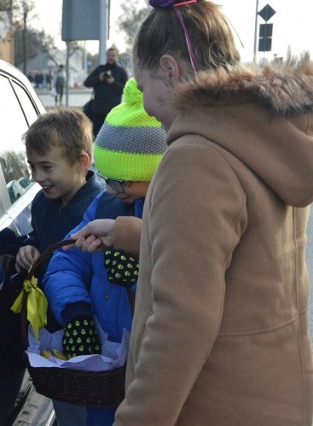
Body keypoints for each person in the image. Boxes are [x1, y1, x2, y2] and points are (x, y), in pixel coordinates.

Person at [73, 1, 313, 424]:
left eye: (144, 87)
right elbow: (239, 266)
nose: (146, 107)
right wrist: (129, 233)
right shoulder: (267, 137)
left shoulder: (195, 159)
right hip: (275, 398)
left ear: (170, 69)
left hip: (212, 406)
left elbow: (181, 321)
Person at [42, 78, 167, 426]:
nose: (113, 188)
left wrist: (142, 266)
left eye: (123, 180)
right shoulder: (104, 205)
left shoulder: (174, 213)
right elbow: (64, 261)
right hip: (106, 372)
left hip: (154, 372)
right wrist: (76, 311)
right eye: (107, 177)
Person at [15, 107, 104, 425]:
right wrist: (29, 245)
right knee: (66, 406)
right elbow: (39, 234)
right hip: (52, 326)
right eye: (32, 166)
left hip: (91, 328)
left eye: (46, 167)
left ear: (81, 162)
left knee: (93, 407)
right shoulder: (42, 201)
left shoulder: (100, 206)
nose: (37, 177)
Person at [83, 47, 129, 137]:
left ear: (117, 56)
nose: (110, 57)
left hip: (113, 111)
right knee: (96, 135)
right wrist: (99, 78)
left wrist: (113, 82)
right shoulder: (100, 69)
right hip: (98, 109)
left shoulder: (121, 71)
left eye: (113, 55)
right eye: (109, 55)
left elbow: (125, 90)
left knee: (112, 136)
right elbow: (86, 83)